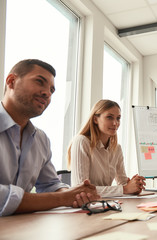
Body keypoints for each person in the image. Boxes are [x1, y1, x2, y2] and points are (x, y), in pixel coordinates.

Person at [0, 59, 99, 217]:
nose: (47, 93)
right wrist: (62, 197)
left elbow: (50, 184)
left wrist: (75, 194)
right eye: (40, 82)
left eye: (52, 90)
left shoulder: (41, 139)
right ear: (11, 81)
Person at [68, 99, 146, 197]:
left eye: (118, 118)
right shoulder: (82, 142)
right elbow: (81, 189)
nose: (115, 123)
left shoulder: (116, 148)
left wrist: (134, 186)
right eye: (109, 117)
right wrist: (125, 189)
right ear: (95, 119)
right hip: (85, 207)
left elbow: (122, 184)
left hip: (106, 204)